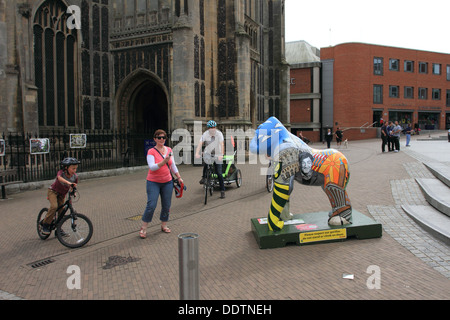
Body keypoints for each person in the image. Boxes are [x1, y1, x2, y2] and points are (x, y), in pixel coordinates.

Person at [139, 129, 183, 239]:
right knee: (151, 205)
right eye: (159, 137)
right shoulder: (151, 151)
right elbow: (152, 167)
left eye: (163, 137)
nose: (162, 139)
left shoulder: (169, 150)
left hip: (167, 182)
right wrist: (164, 161)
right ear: (155, 139)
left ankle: (164, 225)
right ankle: (144, 227)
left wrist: (179, 177)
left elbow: (172, 165)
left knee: (166, 205)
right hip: (153, 182)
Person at [41, 157, 80, 235]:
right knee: (54, 207)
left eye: (76, 169)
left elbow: (73, 186)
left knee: (61, 210)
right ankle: (45, 224)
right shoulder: (61, 173)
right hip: (53, 192)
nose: (74, 171)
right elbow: (59, 179)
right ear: (66, 167)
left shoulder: (75, 177)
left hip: (62, 194)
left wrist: (73, 191)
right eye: (73, 168)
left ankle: (59, 229)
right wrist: (69, 183)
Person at [195, 120, 226, 199]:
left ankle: (222, 191)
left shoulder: (219, 134)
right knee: (206, 162)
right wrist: (197, 153)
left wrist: (221, 155)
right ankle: (204, 177)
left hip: (218, 153)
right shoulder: (205, 134)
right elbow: (200, 144)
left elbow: (222, 144)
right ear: (208, 128)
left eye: (214, 127)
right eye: (210, 127)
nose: (212, 129)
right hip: (208, 152)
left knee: (219, 173)